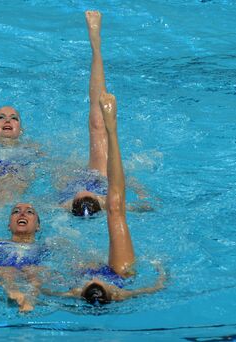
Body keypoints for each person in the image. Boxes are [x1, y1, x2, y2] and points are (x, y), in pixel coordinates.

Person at [47, 91, 165, 304]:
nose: (93, 278)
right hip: (117, 278)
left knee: (65, 244)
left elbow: (41, 289)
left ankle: (111, 130)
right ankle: (113, 131)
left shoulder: (73, 284)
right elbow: (155, 287)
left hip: (83, 283)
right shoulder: (120, 279)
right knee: (115, 207)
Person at [58, 11, 151, 217]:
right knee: (99, 123)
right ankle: (96, 46)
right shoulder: (107, 200)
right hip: (101, 182)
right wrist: (140, 192)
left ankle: (96, 45)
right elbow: (147, 207)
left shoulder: (61, 205)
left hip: (68, 187)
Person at [0, 203, 48, 312]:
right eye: (16, 211)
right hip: (3, 272)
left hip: (32, 270)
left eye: (29, 212)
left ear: (38, 226)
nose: (22, 214)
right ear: (9, 225)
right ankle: (13, 292)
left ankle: (31, 299)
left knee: (37, 271)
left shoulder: (44, 247)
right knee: (6, 270)